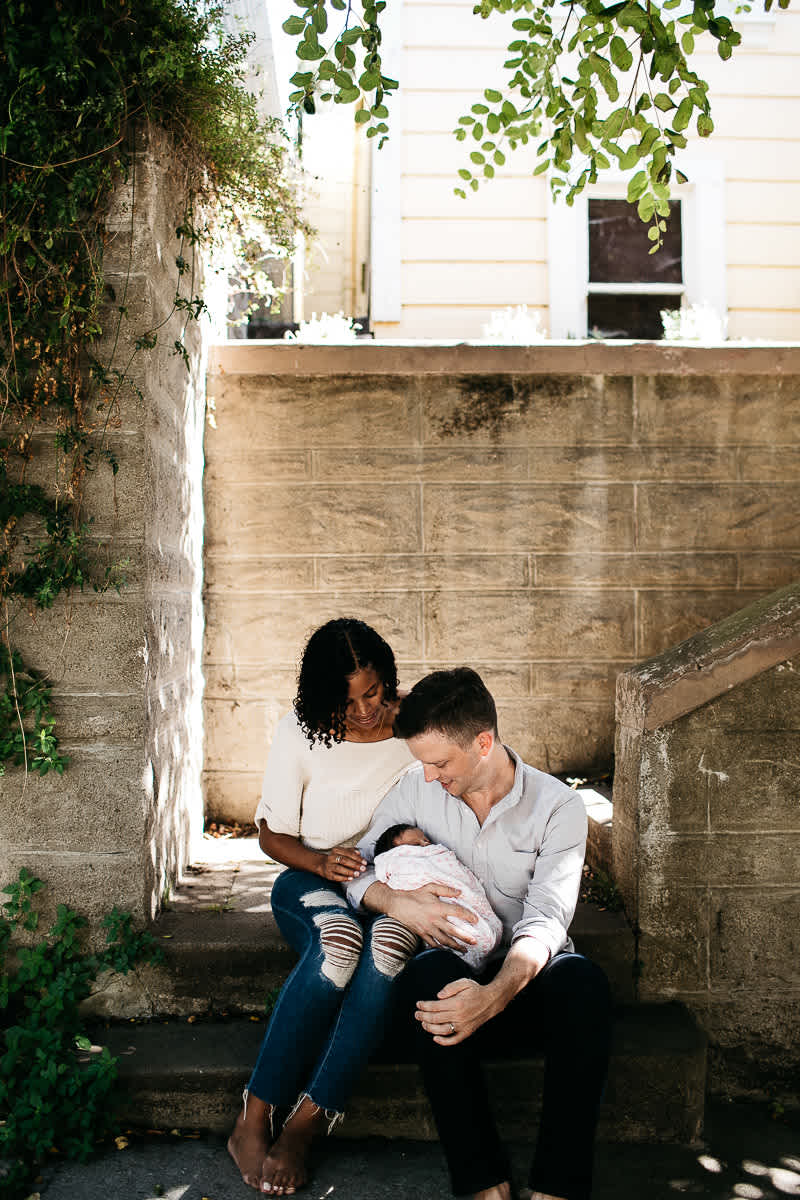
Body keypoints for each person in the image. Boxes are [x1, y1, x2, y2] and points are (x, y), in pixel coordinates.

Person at [347, 667, 613, 1200]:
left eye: (440, 763)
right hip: (447, 990)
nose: (428, 776)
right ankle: (482, 1181)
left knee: (583, 984)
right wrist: (398, 901)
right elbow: (355, 870)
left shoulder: (557, 806)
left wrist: (491, 998)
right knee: (429, 974)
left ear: (484, 743)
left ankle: (558, 1187)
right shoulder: (414, 790)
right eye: (423, 763)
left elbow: (546, 921)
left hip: (523, 983)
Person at [227, 618, 418, 1197]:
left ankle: (307, 1123)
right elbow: (270, 834)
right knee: (339, 946)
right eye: (347, 699)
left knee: (386, 948)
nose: (364, 711)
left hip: (394, 886)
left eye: (373, 693)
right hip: (311, 883)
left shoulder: (417, 722)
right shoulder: (301, 732)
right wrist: (320, 862)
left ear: (387, 680)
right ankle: (253, 1118)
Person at [373, 824, 503, 970]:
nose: (425, 844)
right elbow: (402, 880)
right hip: (431, 909)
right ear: (397, 853)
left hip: (457, 898)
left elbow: (457, 876)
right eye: (416, 845)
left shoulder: (437, 855)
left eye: (426, 840)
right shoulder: (398, 864)